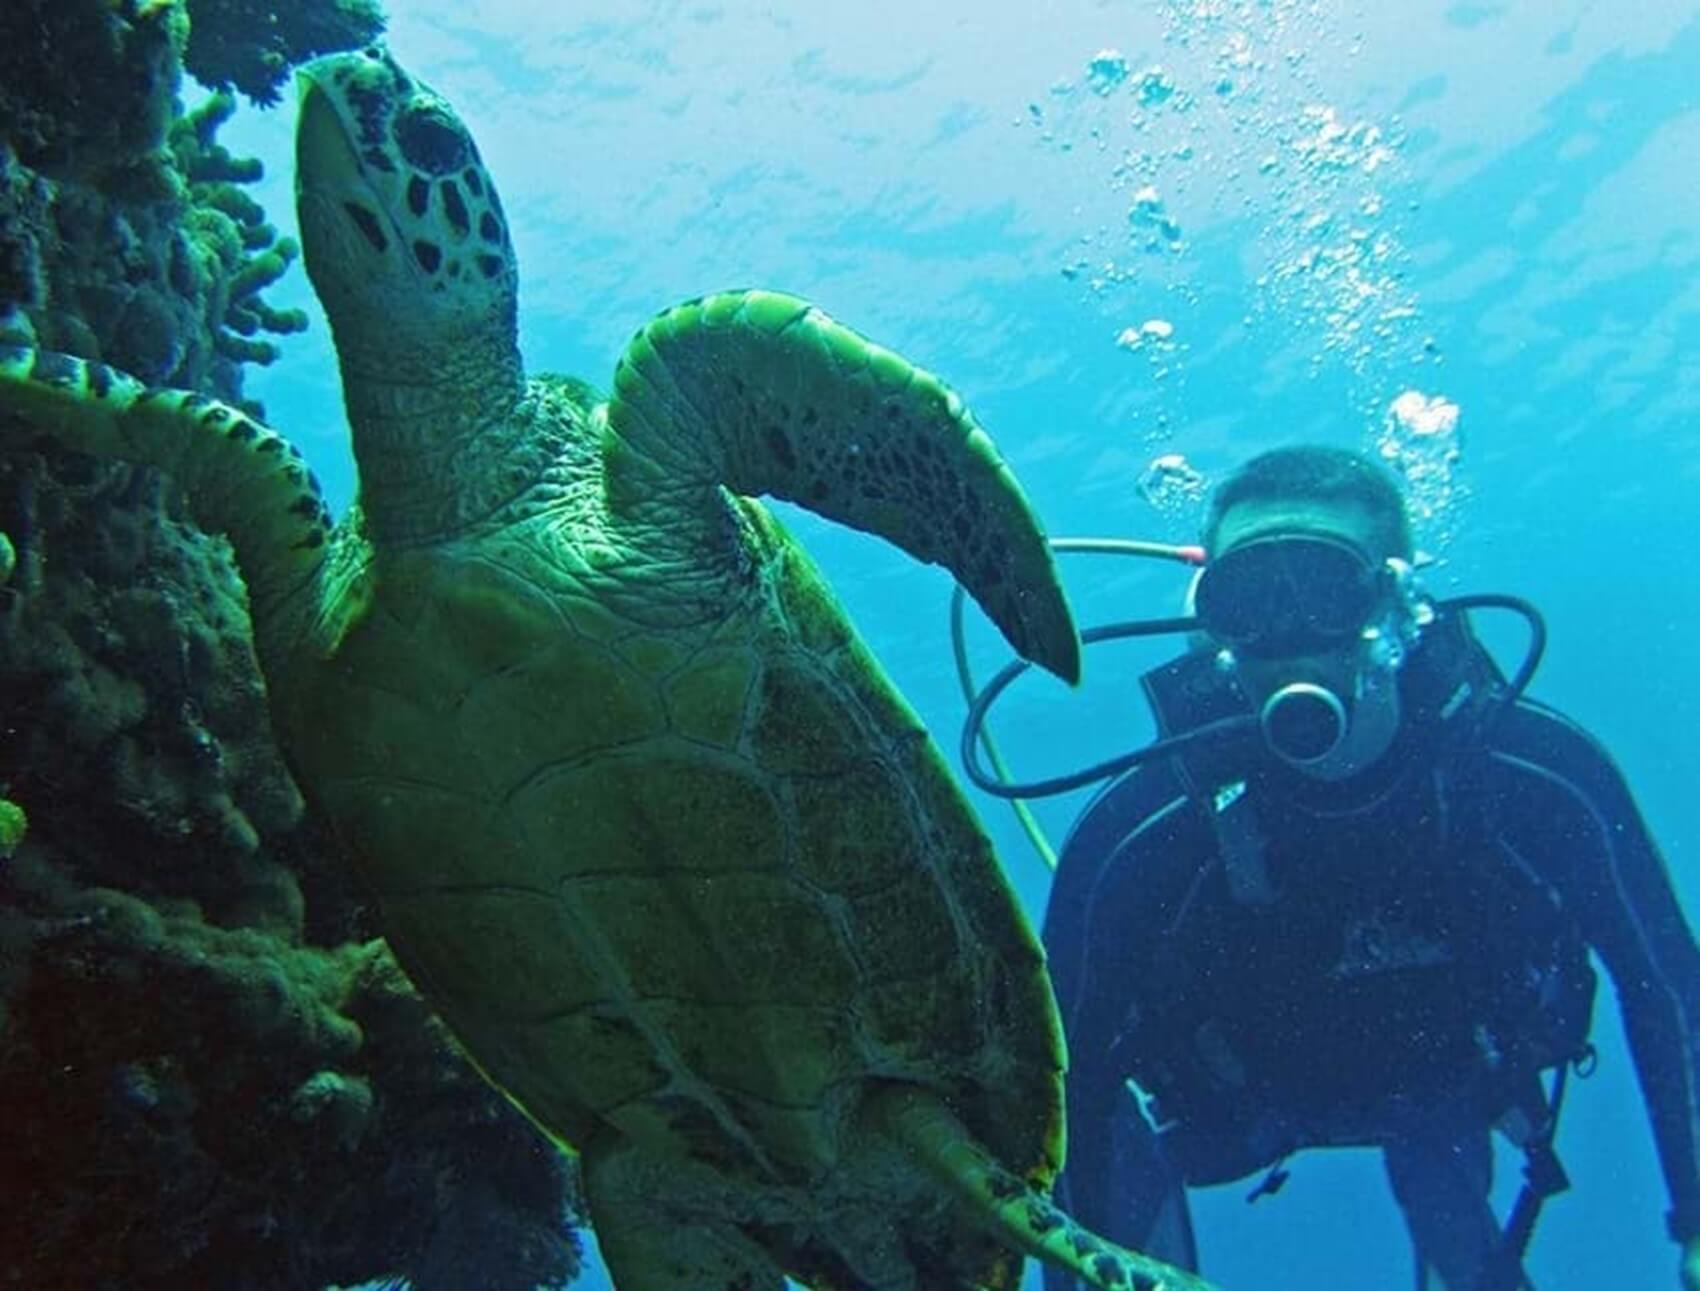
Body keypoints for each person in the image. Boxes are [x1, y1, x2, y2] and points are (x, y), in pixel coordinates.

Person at [1037, 447, 1700, 1290]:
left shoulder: (1535, 776)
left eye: (1321, 588)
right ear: (1211, 625)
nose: (1288, 641)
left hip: (1454, 1084)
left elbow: (1668, 982)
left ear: (1396, 604)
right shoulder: (1144, 829)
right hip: (1236, 1104)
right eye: (1250, 601)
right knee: (1109, 1151)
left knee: (1441, 1171)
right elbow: (1062, 1069)